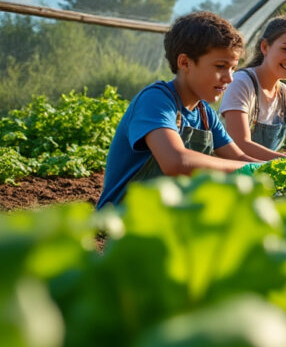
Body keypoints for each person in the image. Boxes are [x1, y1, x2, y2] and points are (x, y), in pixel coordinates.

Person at [97, 12, 260, 208]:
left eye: (233, 68)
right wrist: (251, 170)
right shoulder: (156, 100)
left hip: (169, 217)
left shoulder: (204, 113)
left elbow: (239, 157)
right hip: (122, 221)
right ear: (184, 63)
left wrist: (281, 168)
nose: (229, 78)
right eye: (220, 66)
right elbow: (176, 161)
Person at [220, 15, 286, 161]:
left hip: (261, 174)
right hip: (229, 176)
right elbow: (240, 144)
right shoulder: (242, 83)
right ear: (265, 47)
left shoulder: (285, 95)